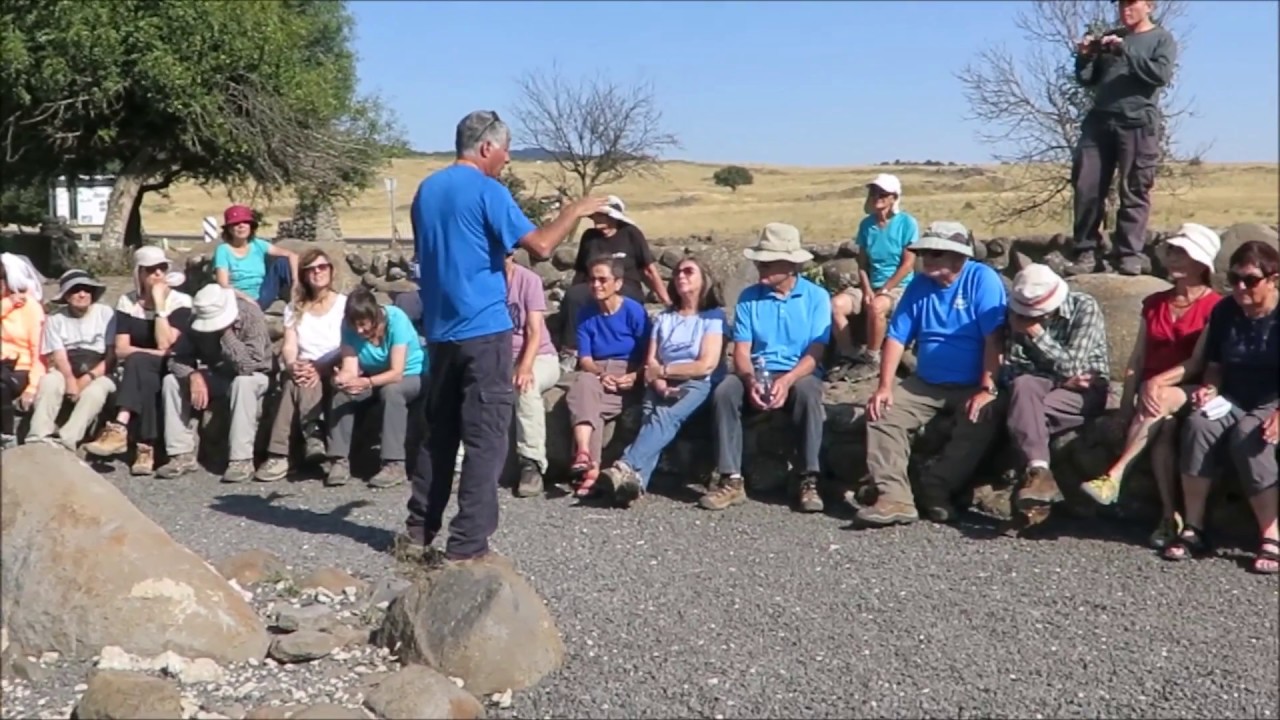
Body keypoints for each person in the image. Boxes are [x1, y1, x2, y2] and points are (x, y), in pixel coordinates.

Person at [406, 109, 608, 562]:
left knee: (439, 436)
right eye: (505, 148)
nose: (508, 157)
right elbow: (539, 246)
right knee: (486, 438)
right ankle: (467, 545)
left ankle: (418, 531)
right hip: (484, 332)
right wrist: (574, 210)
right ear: (485, 148)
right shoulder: (487, 189)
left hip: (439, 333)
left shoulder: (426, 191)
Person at [858, 222, 1008, 527]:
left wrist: (988, 388)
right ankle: (894, 497)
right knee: (882, 414)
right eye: (925, 253)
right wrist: (884, 386)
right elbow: (897, 338)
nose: (928, 261)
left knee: (982, 416)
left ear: (959, 257)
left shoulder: (982, 280)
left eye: (936, 254)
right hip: (925, 382)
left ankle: (936, 488)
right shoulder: (919, 285)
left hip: (971, 382)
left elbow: (994, 339)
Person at [1080, 223, 1221, 547]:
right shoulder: (1154, 302)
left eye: (1182, 253)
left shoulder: (1214, 306)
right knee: (1165, 430)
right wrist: (1125, 407)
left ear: (1201, 263)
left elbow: (1197, 363)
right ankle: (1169, 517)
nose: (1172, 258)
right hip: (1153, 399)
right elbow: (1137, 359)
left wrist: (1154, 382)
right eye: (1171, 251)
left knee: (1160, 395)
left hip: (1190, 389)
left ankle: (1115, 474)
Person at [1159, 240, 1278, 575]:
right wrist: (1210, 388)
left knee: (1249, 436)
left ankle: (1270, 533)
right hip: (1234, 395)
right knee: (1198, 426)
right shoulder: (1226, 311)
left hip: (1273, 397)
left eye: (1251, 280)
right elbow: (1214, 362)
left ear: (1273, 280)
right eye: (1235, 278)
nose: (1241, 287)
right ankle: (1194, 527)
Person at [705, 222, 831, 514]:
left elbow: (815, 352)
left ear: (790, 266)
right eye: (759, 261)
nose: (759, 267)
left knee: (809, 393)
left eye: (767, 262)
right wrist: (749, 380)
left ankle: (808, 479)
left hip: (798, 371)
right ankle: (731, 478)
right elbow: (742, 351)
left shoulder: (816, 297)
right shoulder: (749, 297)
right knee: (725, 390)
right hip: (757, 370)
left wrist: (786, 381)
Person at [602, 256, 726, 508]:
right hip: (660, 380)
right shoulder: (664, 318)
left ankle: (624, 465)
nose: (680, 276)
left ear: (705, 280)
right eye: (678, 271)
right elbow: (651, 361)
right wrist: (658, 381)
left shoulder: (713, 318)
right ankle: (635, 484)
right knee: (651, 415)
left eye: (689, 271)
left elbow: (705, 365)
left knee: (665, 416)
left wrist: (665, 371)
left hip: (697, 382)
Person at [1066, 0, 1177, 277]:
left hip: (1137, 122)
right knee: (1086, 185)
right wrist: (1085, 56)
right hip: (1100, 121)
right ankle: (1085, 250)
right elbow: (1088, 79)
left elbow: (1159, 75)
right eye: (1121, 4)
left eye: (1132, 3)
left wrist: (1124, 50)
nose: (1125, 9)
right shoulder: (1112, 38)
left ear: (1149, 6)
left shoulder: (1161, 39)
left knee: (1134, 189)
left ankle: (1129, 254)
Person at [1000, 264, 1111, 532]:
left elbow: (1075, 365)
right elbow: (1014, 368)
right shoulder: (1015, 313)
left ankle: (1030, 501)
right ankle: (1039, 473)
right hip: (1042, 383)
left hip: (1085, 390)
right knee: (1023, 389)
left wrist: (1035, 333)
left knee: (1023, 417)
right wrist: (1062, 376)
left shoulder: (1084, 307)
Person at [84, 247, 193, 475]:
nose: (157, 274)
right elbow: (121, 349)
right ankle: (146, 447)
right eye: (150, 269)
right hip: (143, 367)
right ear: (139, 273)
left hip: (174, 364)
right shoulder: (128, 302)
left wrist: (159, 305)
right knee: (142, 370)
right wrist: (149, 354)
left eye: (161, 268)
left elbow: (166, 344)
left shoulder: (180, 301)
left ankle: (120, 427)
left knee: (138, 362)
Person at [157, 284, 271, 482]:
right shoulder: (195, 320)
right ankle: (180, 454)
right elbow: (176, 359)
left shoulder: (251, 315)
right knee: (171, 381)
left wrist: (226, 333)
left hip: (255, 376)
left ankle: (241, 459)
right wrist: (193, 375)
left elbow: (248, 366)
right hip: (217, 374)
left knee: (242, 384)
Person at [256, 249, 348, 482]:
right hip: (306, 368)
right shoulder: (294, 308)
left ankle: (280, 454)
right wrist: (291, 364)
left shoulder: (344, 306)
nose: (317, 272)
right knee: (296, 379)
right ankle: (312, 436)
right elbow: (289, 345)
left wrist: (321, 366)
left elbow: (349, 345)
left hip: (336, 364)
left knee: (299, 382)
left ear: (331, 270)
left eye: (322, 267)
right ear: (303, 275)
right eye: (311, 269)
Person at [564, 257, 652, 498]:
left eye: (603, 279)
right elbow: (585, 359)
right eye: (592, 279)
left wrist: (635, 375)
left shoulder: (634, 311)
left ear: (618, 283)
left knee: (588, 403)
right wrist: (602, 375)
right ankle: (586, 458)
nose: (596, 285)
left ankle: (587, 469)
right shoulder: (585, 314)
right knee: (583, 383)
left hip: (630, 369)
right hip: (598, 371)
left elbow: (650, 352)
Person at [326, 287, 426, 489]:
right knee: (342, 396)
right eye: (355, 326)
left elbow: (397, 372)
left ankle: (393, 463)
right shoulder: (348, 327)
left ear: (374, 316)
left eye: (363, 325)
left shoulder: (397, 320)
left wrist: (367, 383)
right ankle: (339, 460)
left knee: (392, 392)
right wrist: (342, 379)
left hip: (412, 374)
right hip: (373, 376)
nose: (359, 331)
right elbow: (350, 368)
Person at [559, 195, 669, 370]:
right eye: (594, 216)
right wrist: (572, 295)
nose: (596, 220)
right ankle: (572, 350)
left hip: (625, 286)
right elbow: (581, 271)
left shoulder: (631, 233)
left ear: (613, 216)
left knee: (615, 298)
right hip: (596, 283)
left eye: (600, 215)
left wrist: (667, 300)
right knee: (574, 296)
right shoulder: (589, 237)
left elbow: (648, 269)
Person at [830, 174, 919, 382]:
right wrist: (867, 289)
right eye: (873, 192)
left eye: (882, 194)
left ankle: (872, 358)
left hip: (899, 286)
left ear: (893, 198)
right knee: (836, 305)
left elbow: (907, 265)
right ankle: (849, 354)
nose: (876, 197)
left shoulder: (907, 223)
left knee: (877, 307)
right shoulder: (866, 225)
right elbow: (862, 264)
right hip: (871, 284)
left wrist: (885, 289)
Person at [27, 270, 118, 450]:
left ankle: (68, 439)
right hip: (68, 366)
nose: (82, 294)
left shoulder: (106, 314)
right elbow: (59, 354)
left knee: (95, 392)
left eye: (87, 290)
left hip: (99, 368)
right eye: (76, 290)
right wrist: (70, 380)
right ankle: (37, 436)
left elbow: (111, 355)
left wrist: (87, 378)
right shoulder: (56, 319)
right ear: (66, 296)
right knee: (49, 382)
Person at [505, 252, 562, 498]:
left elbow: (534, 330)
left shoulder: (528, 280)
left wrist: (525, 366)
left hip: (539, 356)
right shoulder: (481, 282)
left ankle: (531, 463)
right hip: (499, 358)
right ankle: (460, 464)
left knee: (526, 386)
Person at [213, 204, 299, 310]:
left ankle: (299, 302)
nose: (241, 226)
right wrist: (246, 298)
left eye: (245, 222)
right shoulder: (223, 250)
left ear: (251, 226)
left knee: (282, 262)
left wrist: (296, 281)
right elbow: (223, 284)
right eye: (236, 223)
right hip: (237, 299)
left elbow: (292, 255)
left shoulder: (258, 244)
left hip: (261, 295)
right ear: (229, 229)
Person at [0, 255, 46, 446]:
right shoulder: (5, 304)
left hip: (20, 366)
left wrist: (33, 387)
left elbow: (39, 351)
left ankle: (7, 435)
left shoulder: (30, 307)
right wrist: (7, 304)